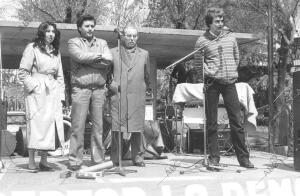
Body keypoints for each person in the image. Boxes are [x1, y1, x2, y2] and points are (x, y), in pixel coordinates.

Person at [194, 7, 254, 168]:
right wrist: (206, 76)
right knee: (212, 122)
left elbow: (236, 57)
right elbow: (198, 64)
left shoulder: (231, 37)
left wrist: (231, 71)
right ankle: (214, 157)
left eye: (222, 21)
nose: (220, 24)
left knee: (236, 121)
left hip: (230, 83)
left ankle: (243, 158)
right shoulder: (202, 41)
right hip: (212, 83)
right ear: (209, 23)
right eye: (217, 21)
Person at [68, 14, 113, 171]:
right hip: (80, 89)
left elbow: (109, 60)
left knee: (98, 127)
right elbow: (79, 55)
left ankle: (98, 160)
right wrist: (99, 59)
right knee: (77, 126)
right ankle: (75, 161)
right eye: (87, 26)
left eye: (92, 26)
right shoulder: (74, 42)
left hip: (100, 90)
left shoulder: (102, 42)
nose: (90, 29)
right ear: (80, 28)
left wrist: (88, 61)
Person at [18, 21, 65, 171]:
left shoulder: (56, 51)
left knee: (49, 125)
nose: (51, 34)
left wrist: (61, 96)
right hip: (37, 92)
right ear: (42, 33)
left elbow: (60, 76)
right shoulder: (32, 48)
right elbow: (23, 73)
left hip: (52, 91)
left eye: (53, 31)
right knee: (36, 124)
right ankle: (31, 160)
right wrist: (35, 87)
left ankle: (44, 161)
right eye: (48, 31)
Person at [109, 26, 151, 167]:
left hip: (137, 94)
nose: (131, 39)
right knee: (117, 128)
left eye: (134, 36)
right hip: (119, 94)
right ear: (123, 37)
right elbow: (107, 75)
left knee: (137, 128)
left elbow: (147, 75)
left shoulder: (144, 54)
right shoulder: (112, 53)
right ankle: (115, 158)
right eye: (128, 35)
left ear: (137, 37)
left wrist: (145, 89)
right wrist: (112, 86)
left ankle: (138, 158)